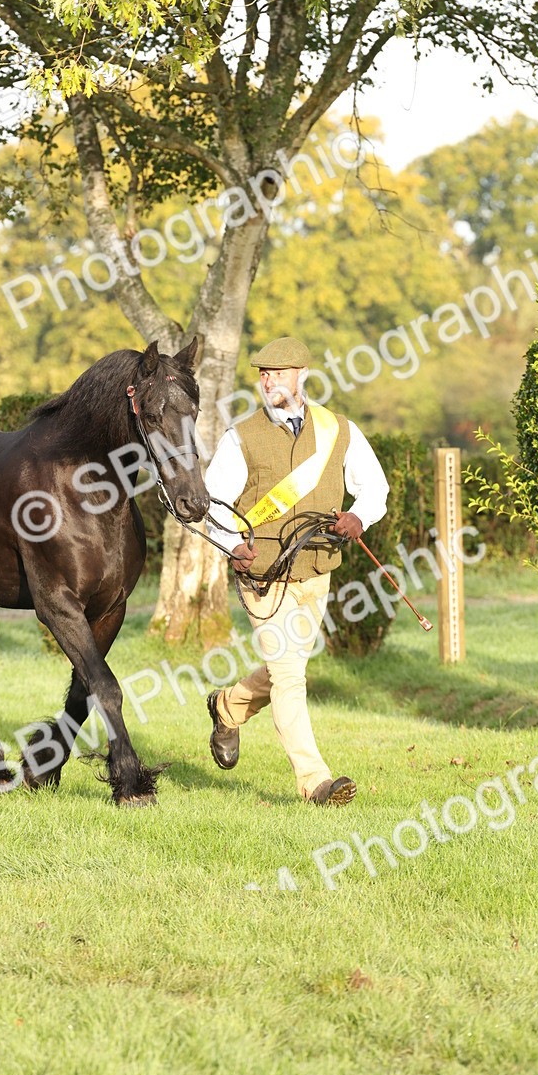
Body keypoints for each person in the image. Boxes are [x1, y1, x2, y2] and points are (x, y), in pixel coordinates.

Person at [204, 336, 389, 806]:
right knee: (289, 676)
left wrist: (359, 516)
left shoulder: (338, 429)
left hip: (318, 569)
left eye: (279, 374)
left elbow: (375, 487)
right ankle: (315, 783)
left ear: (302, 375)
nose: (269, 382)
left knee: (285, 668)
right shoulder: (240, 436)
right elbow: (213, 503)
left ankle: (227, 707)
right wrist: (231, 544)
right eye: (264, 375)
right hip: (263, 576)